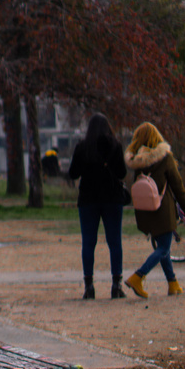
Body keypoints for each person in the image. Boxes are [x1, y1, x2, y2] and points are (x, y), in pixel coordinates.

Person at [123, 122, 185, 299]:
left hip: (145, 212)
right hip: (163, 211)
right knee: (163, 248)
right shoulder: (165, 158)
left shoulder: (138, 161)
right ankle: (138, 277)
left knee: (164, 248)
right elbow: (177, 185)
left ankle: (172, 283)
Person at [67, 114, 127, 299]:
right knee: (114, 241)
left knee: (88, 242)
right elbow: (122, 173)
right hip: (112, 198)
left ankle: (89, 286)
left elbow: (73, 173)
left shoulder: (82, 147)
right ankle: (116, 284)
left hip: (88, 199)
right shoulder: (115, 146)